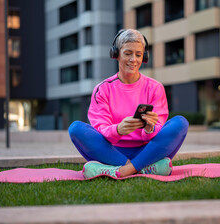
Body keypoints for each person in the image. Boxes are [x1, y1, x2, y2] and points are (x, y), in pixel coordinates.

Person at [68, 29, 188, 179]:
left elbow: (157, 131)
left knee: (180, 123)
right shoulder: (102, 89)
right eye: (128, 53)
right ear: (116, 54)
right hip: (111, 151)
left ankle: (121, 170)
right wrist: (118, 129)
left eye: (138, 55)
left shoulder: (155, 88)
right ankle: (145, 168)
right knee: (76, 129)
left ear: (144, 57)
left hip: (148, 150)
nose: (133, 59)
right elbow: (101, 129)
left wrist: (150, 129)